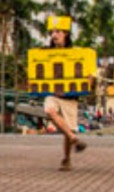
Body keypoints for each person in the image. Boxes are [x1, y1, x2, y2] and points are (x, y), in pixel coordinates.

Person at [42, 24, 87, 171]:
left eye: (58, 32)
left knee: (68, 130)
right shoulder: (45, 53)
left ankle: (67, 159)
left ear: (66, 34)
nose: (54, 35)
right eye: (52, 32)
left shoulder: (76, 53)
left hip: (70, 97)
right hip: (53, 94)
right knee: (49, 110)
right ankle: (73, 137)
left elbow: (88, 72)